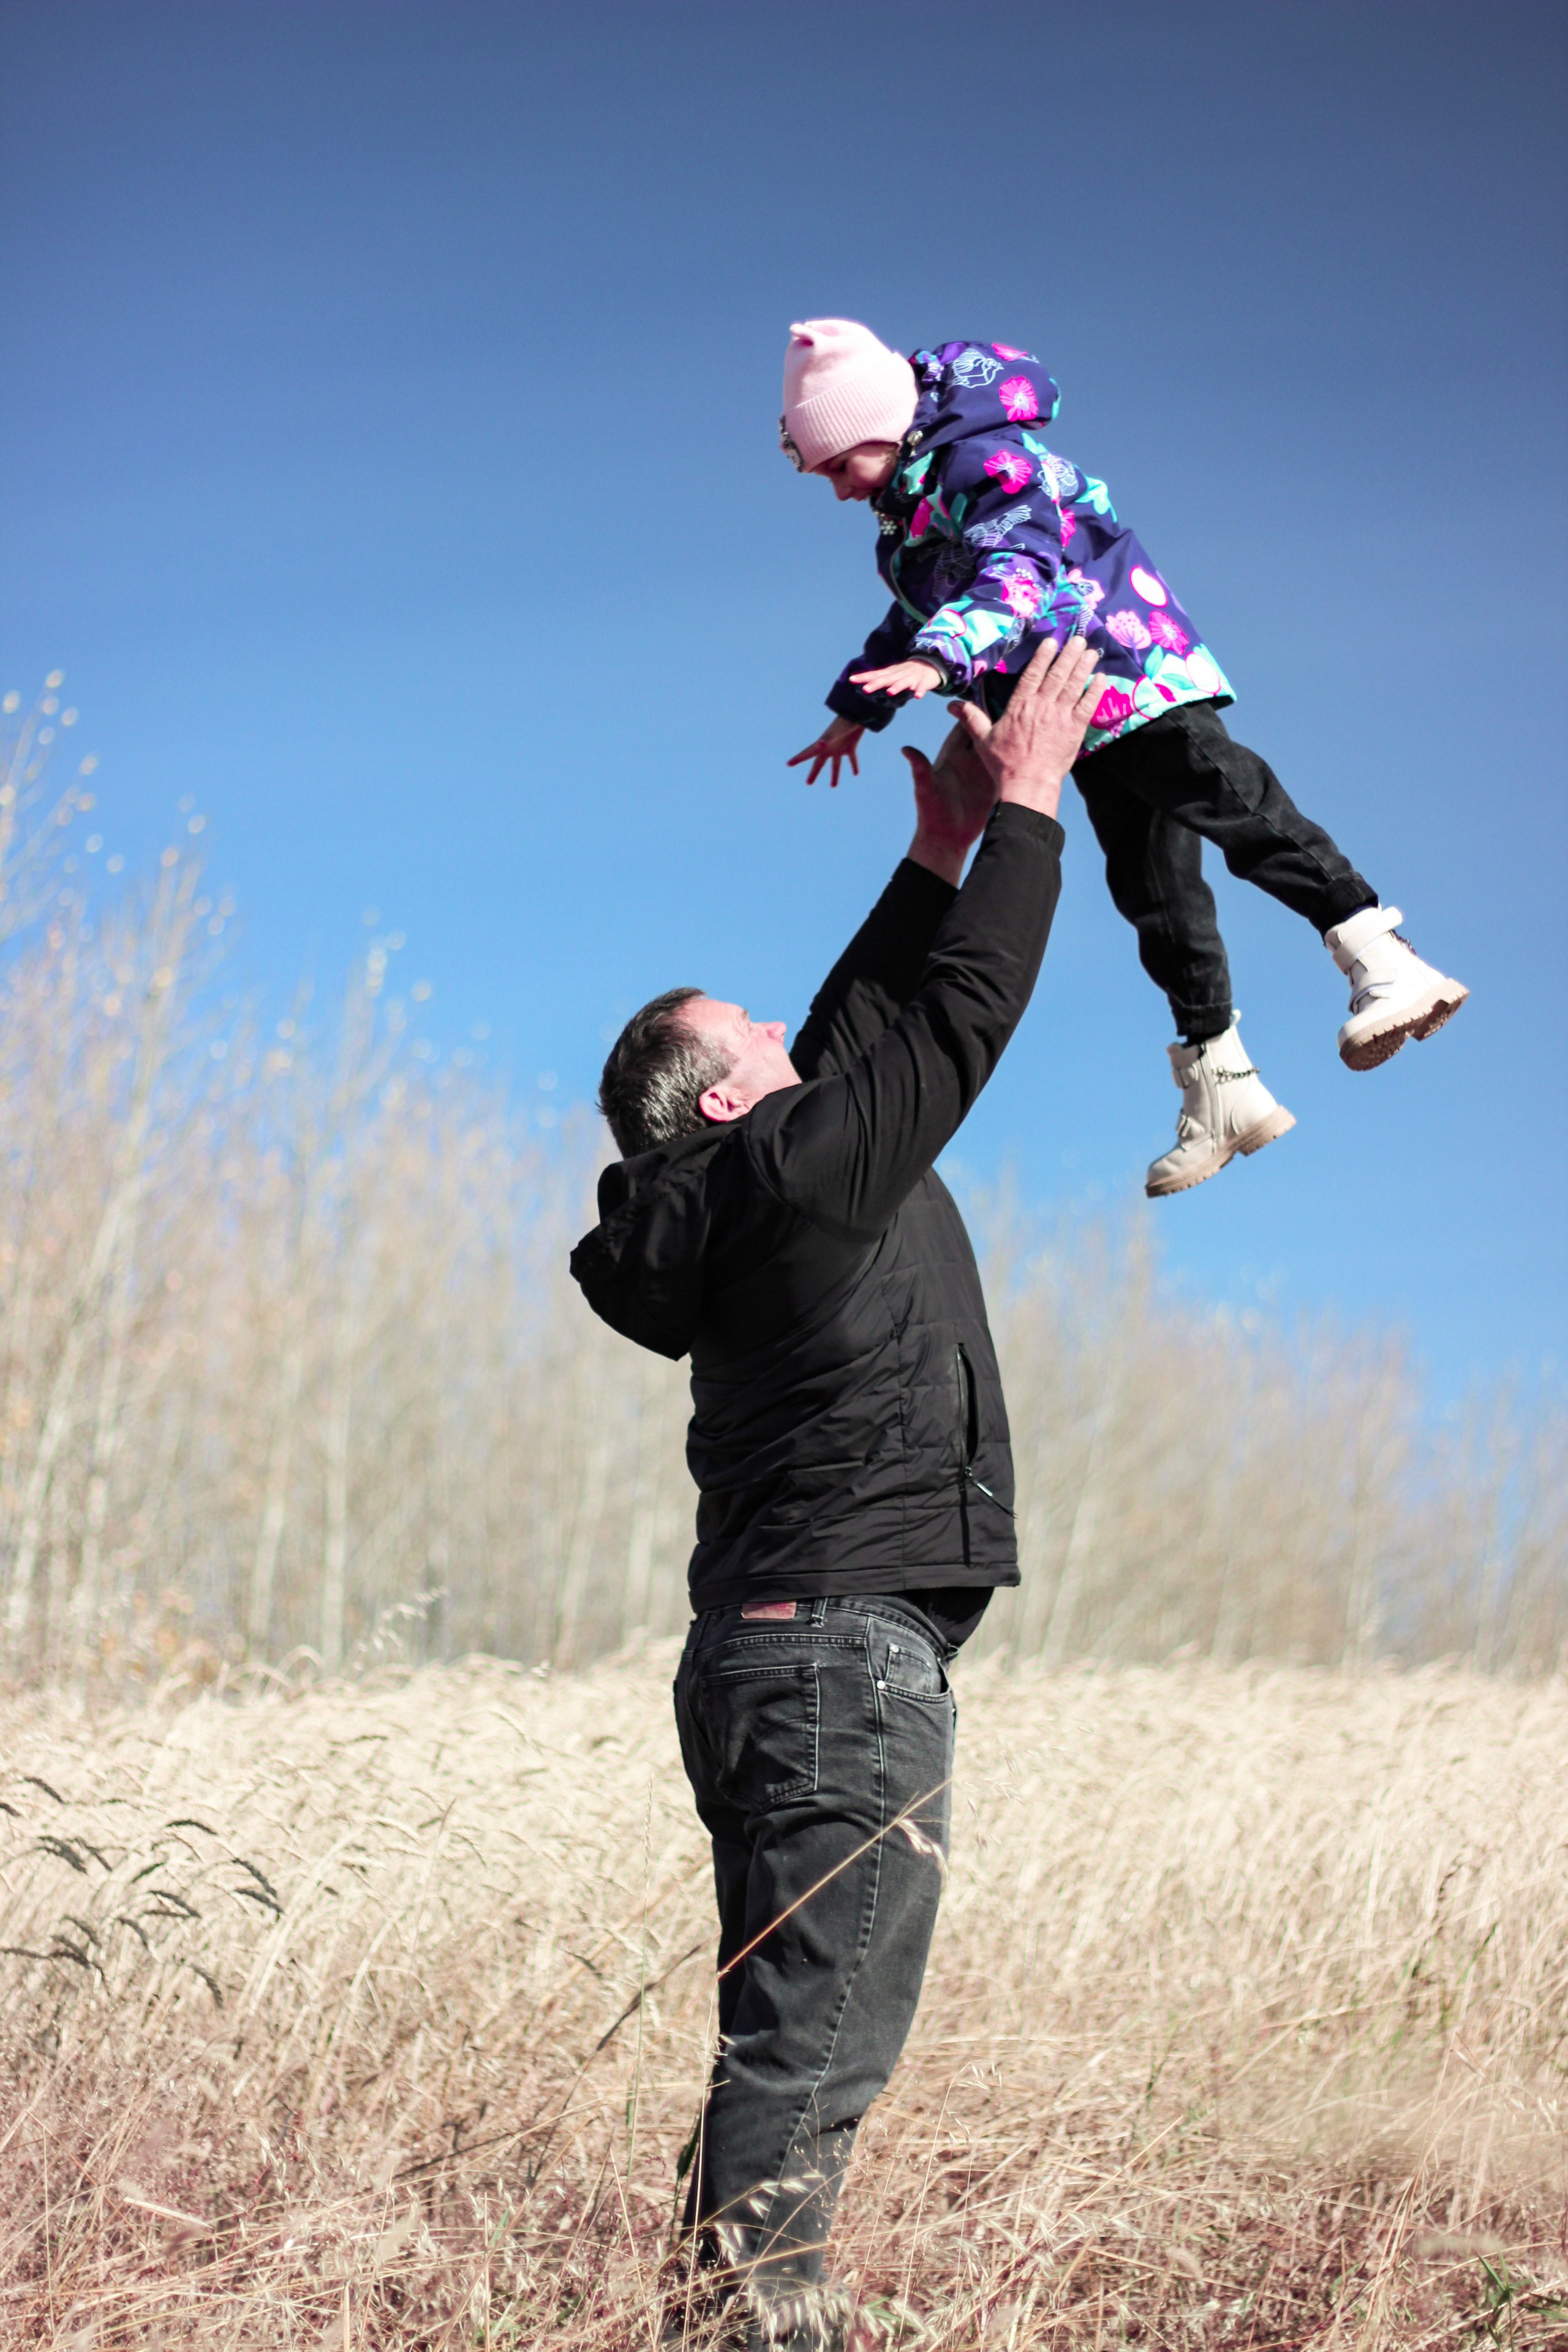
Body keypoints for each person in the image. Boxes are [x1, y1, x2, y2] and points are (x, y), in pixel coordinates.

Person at [570, 637, 1102, 2351]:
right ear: (729, 1096)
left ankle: (721, 2316)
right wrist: (1025, 810)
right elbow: (951, 1023)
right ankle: (753, 2332)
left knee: (780, 2046)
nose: (790, 1035)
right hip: (835, 1668)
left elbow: (863, 1028)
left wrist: (934, 850)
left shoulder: (746, 1180)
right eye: (758, 1034)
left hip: (769, 1661)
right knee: (807, 2062)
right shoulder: (797, 1170)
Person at [780, 319, 1469, 1198]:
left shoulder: (988, 464)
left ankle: (1383, 955)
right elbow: (916, 614)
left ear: (882, 427)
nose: (838, 492)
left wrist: (938, 660)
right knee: (1154, 894)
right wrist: (861, 703)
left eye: (840, 466)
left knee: (1232, 802)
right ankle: (1223, 1080)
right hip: (1071, 709)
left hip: (1128, 664)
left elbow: (1017, 571)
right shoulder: (908, 521)